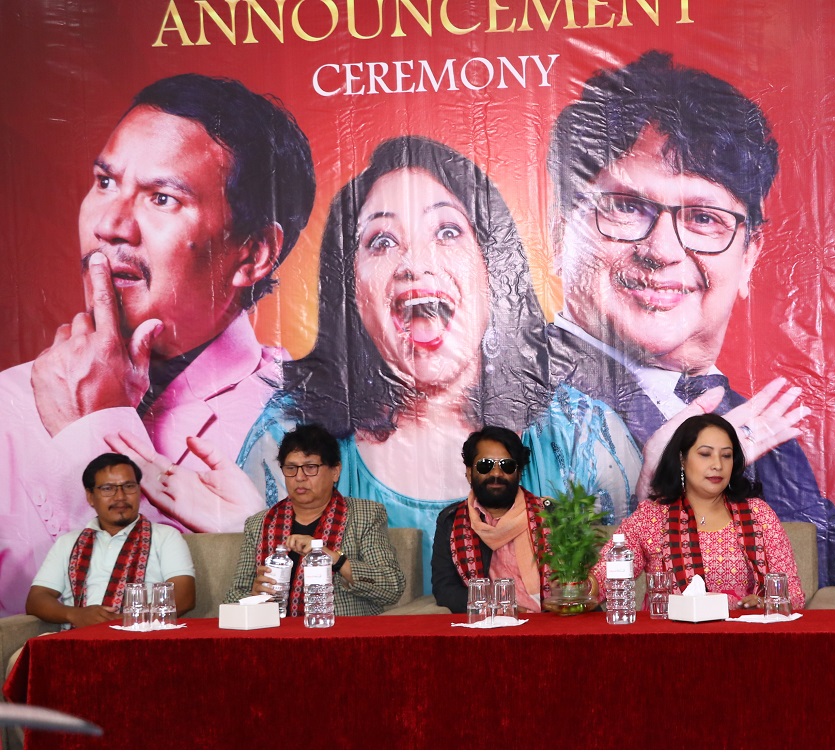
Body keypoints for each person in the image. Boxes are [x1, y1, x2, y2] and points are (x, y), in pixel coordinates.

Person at [231, 136, 641, 595]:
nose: (414, 263)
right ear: (351, 291)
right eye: (382, 241)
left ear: (492, 267)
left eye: (447, 232)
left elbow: (623, 576)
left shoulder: (583, 438)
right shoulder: (284, 439)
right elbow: (261, 584)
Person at [547, 50, 835, 590]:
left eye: (703, 218)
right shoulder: (506, 400)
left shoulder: (757, 426)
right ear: (560, 233)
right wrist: (654, 495)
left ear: (750, 256)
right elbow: (547, 585)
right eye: (625, 206)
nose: (662, 250)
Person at [0, 73, 315, 616]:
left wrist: (89, 432)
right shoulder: (9, 400)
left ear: (253, 254)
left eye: (162, 198)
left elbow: (270, 611)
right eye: (105, 181)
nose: (109, 225)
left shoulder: (304, 420)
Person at [594, 413, 806, 609]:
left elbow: (793, 595)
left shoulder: (758, 514)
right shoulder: (652, 517)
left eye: (726, 456)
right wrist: (581, 588)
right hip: (670, 633)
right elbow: (603, 579)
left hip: (744, 632)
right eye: (705, 454)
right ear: (682, 459)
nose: (717, 465)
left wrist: (764, 602)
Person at [225, 424, 405, 616]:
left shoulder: (365, 515)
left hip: (340, 630)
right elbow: (233, 597)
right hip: (275, 630)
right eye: (291, 468)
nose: (299, 477)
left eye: (310, 467)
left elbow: (391, 587)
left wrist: (335, 559)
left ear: (335, 471)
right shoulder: (260, 524)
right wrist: (254, 595)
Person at [25, 453, 195, 628]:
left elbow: (184, 597)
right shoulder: (68, 543)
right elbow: (37, 599)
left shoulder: (165, 536)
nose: (120, 496)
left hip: (144, 635)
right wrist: (75, 614)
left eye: (128, 486)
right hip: (78, 636)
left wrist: (126, 621)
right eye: (108, 488)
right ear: (90, 497)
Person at [430, 427, 556, 613]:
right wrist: (496, 608)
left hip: (548, 620)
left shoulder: (550, 514)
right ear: (469, 473)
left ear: (519, 472)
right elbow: (445, 588)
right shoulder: (451, 521)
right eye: (485, 465)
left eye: (507, 465)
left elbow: (578, 577)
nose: (496, 473)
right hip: (487, 622)